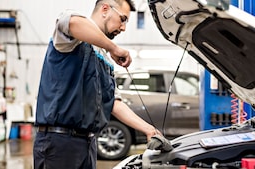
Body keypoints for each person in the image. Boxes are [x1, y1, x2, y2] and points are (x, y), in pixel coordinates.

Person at [33, 0, 161, 169]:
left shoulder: (105, 59)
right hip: (59, 143)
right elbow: (72, 22)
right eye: (123, 19)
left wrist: (149, 129)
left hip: (88, 143)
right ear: (105, 9)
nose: (123, 27)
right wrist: (113, 48)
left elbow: (114, 102)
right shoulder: (69, 39)